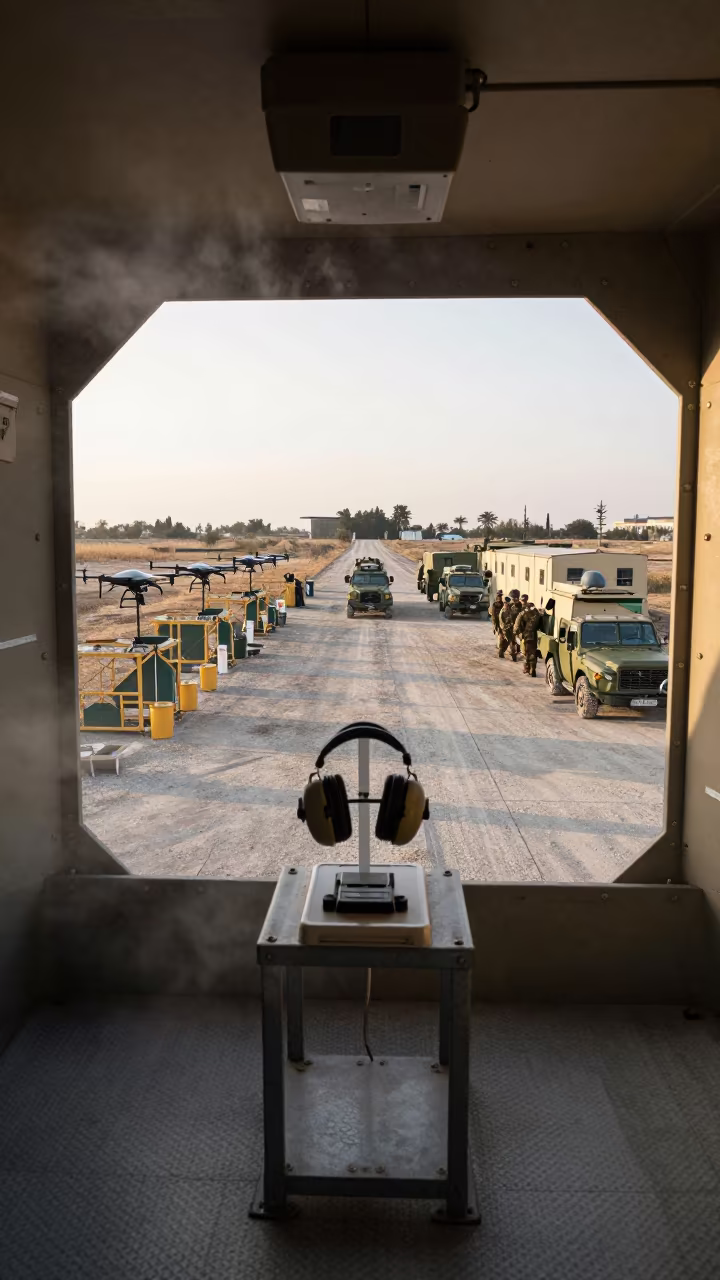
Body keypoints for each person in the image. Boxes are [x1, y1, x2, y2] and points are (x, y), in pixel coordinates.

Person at [514, 600, 541, 675]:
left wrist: (516, 633)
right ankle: (533, 669)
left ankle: (527, 668)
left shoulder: (523, 613)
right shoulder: (537, 614)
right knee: (533, 652)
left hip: (526, 635)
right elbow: (541, 624)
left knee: (527, 652)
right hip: (534, 635)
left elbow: (517, 624)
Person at [498, 595, 521, 660]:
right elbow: (504, 623)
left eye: (508, 604)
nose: (507, 605)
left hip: (510, 629)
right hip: (506, 629)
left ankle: (502, 653)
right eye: (506, 604)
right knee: (510, 642)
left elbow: (513, 615)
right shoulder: (503, 612)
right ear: (504, 604)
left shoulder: (509, 610)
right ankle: (513, 656)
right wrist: (511, 625)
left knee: (509, 642)